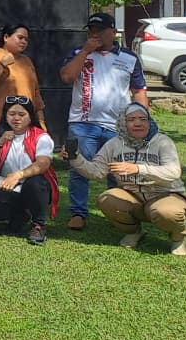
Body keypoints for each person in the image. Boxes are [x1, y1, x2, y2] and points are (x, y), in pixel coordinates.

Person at [58, 12, 149, 232]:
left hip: (119, 126)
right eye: (91, 30)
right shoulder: (79, 53)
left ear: (113, 32)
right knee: (79, 168)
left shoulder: (129, 58)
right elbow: (66, 77)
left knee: (118, 171)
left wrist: (143, 122)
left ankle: (118, 212)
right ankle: (78, 213)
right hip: (83, 123)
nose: (94, 34)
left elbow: (138, 91)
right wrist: (86, 52)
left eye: (99, 30)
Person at [65, 103, 186, 256]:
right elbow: (97, 172)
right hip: (133, 197)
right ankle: (134, 232)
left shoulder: (163, 142)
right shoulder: (114, 144)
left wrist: (138, 169)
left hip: (165, 195)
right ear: (123, 124)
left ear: (149, 122)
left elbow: (174, 171)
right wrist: (76, 158)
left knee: (167, 212)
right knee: (107, 199)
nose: (138, 123)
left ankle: (178, 239)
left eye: (143, 119)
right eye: (131, 119)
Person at [0, 96, 57, 245]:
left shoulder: (41, 136)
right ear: (5, 115)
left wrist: (19, 175)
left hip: (33, 185)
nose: (16, 118)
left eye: (21, 114)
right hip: (6, 185)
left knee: (36, 183)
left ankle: (39, 226)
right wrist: (0, 143)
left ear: (30, 117)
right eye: (12, 114)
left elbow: (43, 163)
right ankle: (20, 215)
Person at [0, 24, 45, 133]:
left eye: (26, 39)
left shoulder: (27, 61)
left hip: (25, 124)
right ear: (6, 37)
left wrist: (41, 121)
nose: (24, 42)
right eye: (20, 38)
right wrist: (2, 64)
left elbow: (36, 94)